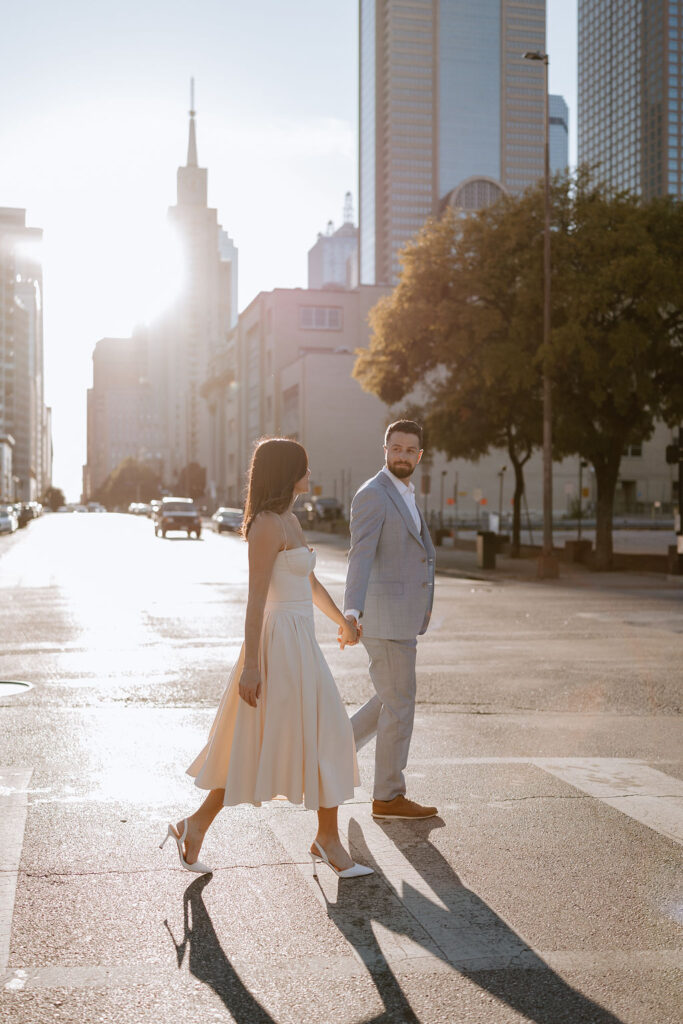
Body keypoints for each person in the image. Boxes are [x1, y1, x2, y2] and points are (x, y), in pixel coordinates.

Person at [160, 437, 373, 879]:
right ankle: (197, 825)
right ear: (286, 472)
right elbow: (256, 601)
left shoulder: (290, 520)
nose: (310, 475)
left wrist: (344, 623)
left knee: (327, 733)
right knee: (254, 744)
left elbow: (310, 585)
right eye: (304, 467)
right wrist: (253, 666)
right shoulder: (265, 526)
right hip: (275, 646)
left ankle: (322, 837)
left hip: (302, 643)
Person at [341, 420, 437, 820]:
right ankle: (388, 796)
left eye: (408, 450)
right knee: (400, 703)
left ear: (419, 456)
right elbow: (359, 555)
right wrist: (351, 612)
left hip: (400, 617)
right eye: (394, 448)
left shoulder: (404, 493)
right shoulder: (374, 495)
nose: (401, 455)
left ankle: (330, 752)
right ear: (384, 450)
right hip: (384, 619)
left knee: (389, 699)